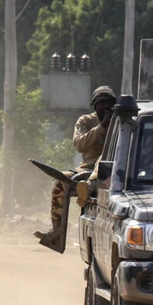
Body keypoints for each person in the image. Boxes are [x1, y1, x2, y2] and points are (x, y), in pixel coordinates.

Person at [34, 86, 117, 241]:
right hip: (86, 168)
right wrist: (101, 127)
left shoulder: (120, 122)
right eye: (101, 103)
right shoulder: (85, 121)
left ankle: (89, 186)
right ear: (95, 105)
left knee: (104, 158)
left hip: (113, 170)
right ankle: (56, 232)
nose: (105, 107)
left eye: (109, 103)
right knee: (60, 181)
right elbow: (79, 144)